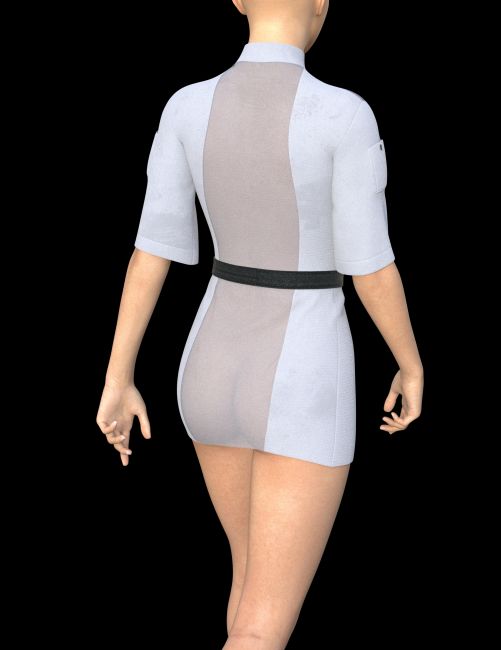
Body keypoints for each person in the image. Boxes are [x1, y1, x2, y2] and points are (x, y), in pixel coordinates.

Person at [96, 0, 424, 647]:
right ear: (322, 3)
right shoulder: (343, 114)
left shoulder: (185, 106)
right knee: (262, 627)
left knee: (249, 593)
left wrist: (117, 378)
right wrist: (410, 364)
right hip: (302, 370)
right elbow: (371, 268)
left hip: (207, 368)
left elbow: (148, 254)